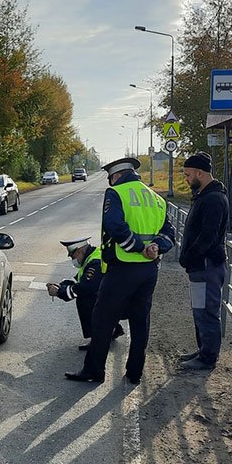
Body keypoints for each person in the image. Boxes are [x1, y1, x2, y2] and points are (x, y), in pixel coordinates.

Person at [66, 157, 176, 384]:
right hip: (149, 270)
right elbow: (169, 234)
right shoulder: (156, 198)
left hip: (122, 269)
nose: (111, 182)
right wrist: (155, 247)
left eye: (110, 178)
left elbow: (115, 226)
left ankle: (94, 372)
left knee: (102, 319)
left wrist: (138, 247)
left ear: (116, 176)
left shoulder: (116, 193)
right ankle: (134, 373)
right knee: (140, 320)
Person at [178, 152, 230, 371]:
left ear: (200, 173)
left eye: (189, 175)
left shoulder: (213, 199)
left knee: (207, 311)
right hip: (201, 266)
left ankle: (208, 358)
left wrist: (190, 256)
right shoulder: (204, 195)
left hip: (207, 265)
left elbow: (208, 236)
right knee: (199, 309)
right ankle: (203, 350)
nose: (186, 179)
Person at [46, 237, 124, 350]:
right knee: (91, 297)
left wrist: (58, 292)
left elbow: (83, 288)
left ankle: (97, 338)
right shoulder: (91, 257)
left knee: (86, 300)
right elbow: (78, 280)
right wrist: (60, 285)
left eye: (72, 255)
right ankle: (113, 328)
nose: (72, 259)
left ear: (80, 251)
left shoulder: (95, 262)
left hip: (119, 300)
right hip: (115, 296)